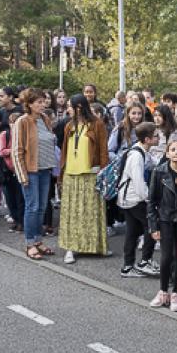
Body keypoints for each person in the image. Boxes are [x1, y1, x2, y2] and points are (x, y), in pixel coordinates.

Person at [59, 94, 109, 264]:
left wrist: (103, 172)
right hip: (71, 174)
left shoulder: (97, 124)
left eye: (70, 106)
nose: (67, 109)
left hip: (91, 173)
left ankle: (96, 246)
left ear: (79, 107)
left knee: (92, 211)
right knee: (71, 212)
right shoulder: (68, 126)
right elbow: (65, 150)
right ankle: (70, 248)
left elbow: (103, 150)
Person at [147, 139, 177, 311]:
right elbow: (152, 201)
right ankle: (163, 291)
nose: (176, 152)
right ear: (167, 153)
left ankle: (175, 293)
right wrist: (153, 226)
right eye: (173, 149)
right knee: (166, 256)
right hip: (165, 219)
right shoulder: (159, 172)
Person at [12, 88, 57, 260]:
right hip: (30, 171)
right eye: (38, 102)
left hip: (45, 169)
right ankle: (30, 243)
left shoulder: (45, 119)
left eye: (44, 101)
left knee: (42, 207)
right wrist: (22, 175)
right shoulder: (22, 122)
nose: (43, 104)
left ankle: (38, 241)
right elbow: (17, 151)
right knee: (32, 207)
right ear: (29, 104)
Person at [118, 122, 159, 276]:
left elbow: (153, 163)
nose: (158, 138)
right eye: (155, 136)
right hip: (133, 199)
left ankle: (128, 267)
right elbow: (138, 182)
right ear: (147, 139)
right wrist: (149, 199)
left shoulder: (142, 151)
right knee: (152, 227)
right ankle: (145, 261)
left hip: (128, 199)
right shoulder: (136, 156)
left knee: (132, 232)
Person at [0, 111, 24, 232]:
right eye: (12, 122)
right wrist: (14, 150)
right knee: (10, 198)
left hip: (21, 170)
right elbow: (2, 151)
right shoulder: (5, 135)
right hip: (8, 170)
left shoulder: (24, 134)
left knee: (20, 198)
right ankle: (15, 219)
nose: (14, 125)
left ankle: (21, 221)